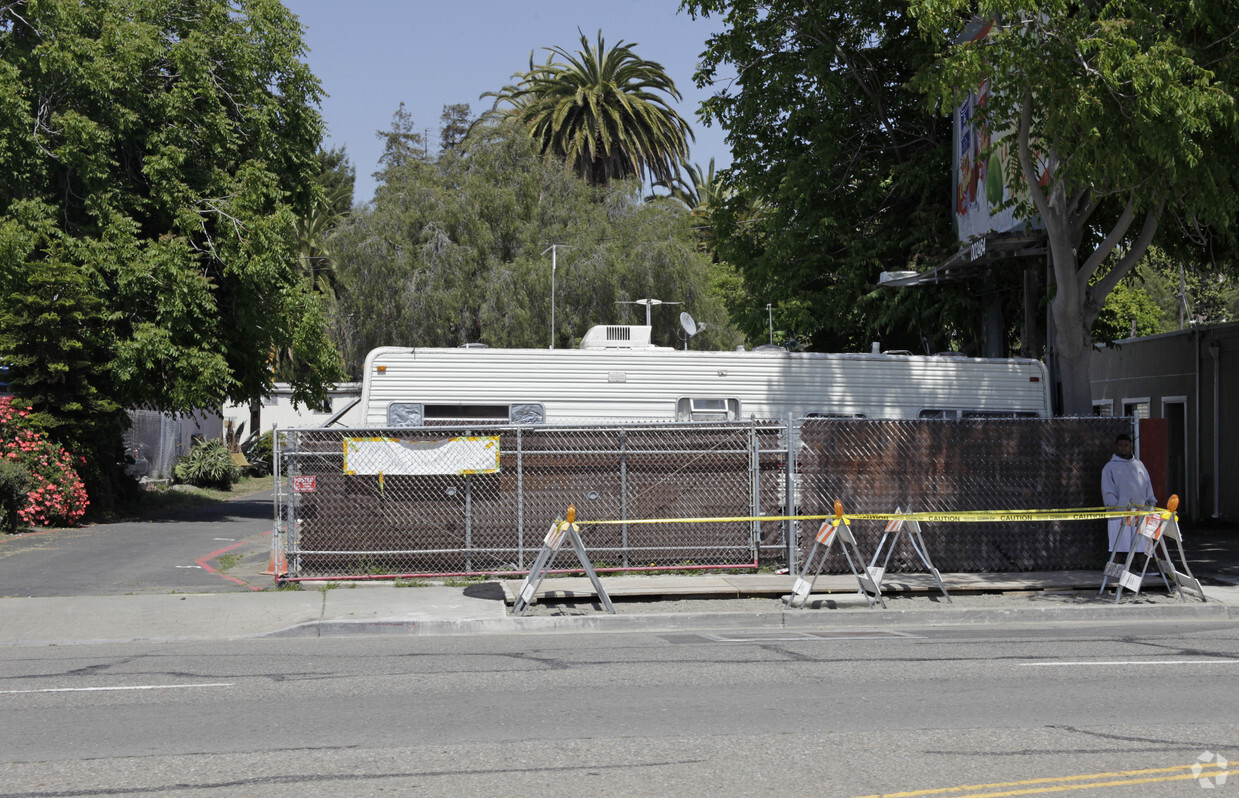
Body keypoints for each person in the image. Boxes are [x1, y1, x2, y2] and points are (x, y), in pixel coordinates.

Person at [1101, 432, 1157, 554]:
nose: (1123, 448)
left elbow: (1147, 485)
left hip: (1139, 511)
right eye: (1121, 445)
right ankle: (1117, 570)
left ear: (1130, 446)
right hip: (1119, 513)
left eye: (1126, 445)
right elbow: (1107, 491)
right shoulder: (1109, 467)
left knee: (1141, 545)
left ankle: (1140, 568)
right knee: (1118, 546)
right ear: (1116, 446)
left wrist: (1151, 502)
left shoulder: (1139, 465)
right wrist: (1116, 506)